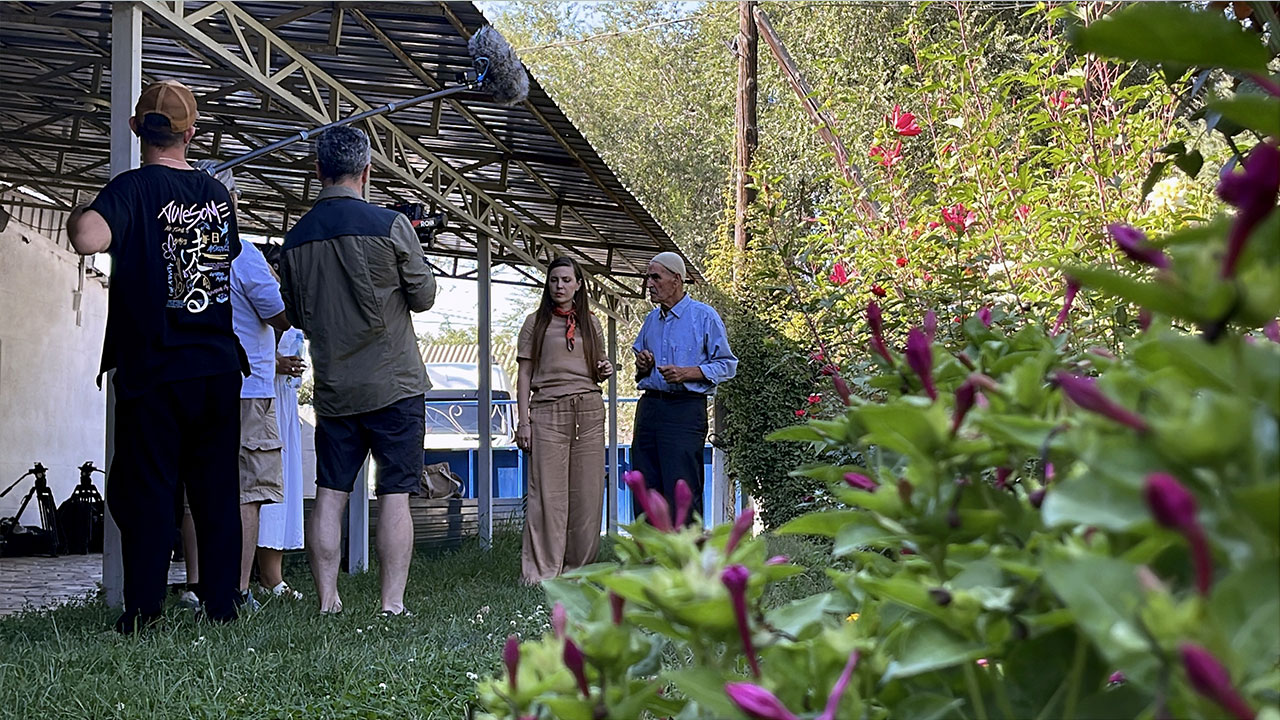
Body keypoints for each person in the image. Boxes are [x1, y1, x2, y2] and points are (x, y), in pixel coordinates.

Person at [65, 80, 244, 632]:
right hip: (215, 365)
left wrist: (82, 209)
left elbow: (88, 240)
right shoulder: (219, 195)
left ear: (137, 129)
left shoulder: (130, 189)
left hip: (154, 368)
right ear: (191, 133)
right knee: (216, 491)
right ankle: (222, 605)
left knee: (146, 491)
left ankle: (143, 610)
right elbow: (225, 255)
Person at [278, 126, 437, 615]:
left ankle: (329, 602)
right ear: (366, 171)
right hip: (395, 384)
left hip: (334, 389)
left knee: (330, 493)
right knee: (395, 492)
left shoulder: (294, 240)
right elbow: (425, 296)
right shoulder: (391, 225)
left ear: (318, 171)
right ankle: (391, 604)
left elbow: (298, 317)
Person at [515, 257, 614, 584]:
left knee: (586, 496)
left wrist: (605, 369)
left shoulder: (591, 322)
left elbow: (598, 365)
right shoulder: (535, 322)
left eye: (566, 280)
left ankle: (578, 572)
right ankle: (542, 572)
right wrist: (523, 421)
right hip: (547, 411)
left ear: (578, 284)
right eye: (554, 280)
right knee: (548, 496)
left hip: (587, 410)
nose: (559, 286)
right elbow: (525, 373)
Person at [631, 252, 738, 526]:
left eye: (656, 276)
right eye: (648, 277)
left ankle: (688, 562)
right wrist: (643, 363)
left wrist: (688, 373)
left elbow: (727, 365)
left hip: (685, 411)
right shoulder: (651, 321)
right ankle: (649, 561)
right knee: (645, 488)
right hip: (649, 409)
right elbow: (640, 370)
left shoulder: (704, 317)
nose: (649, 283)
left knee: (683, 489)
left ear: (676, 279)